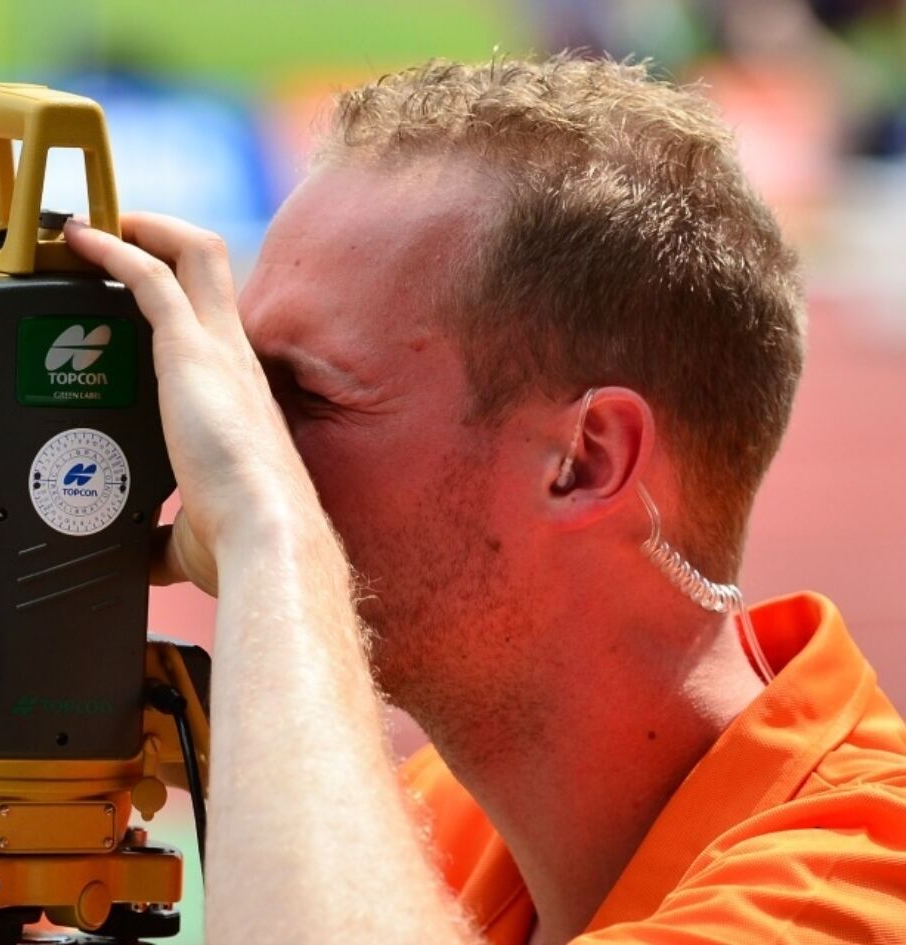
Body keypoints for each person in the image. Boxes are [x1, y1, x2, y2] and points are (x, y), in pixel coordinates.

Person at [64, 55, 906, 944]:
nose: (237, 437)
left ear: (583, 460)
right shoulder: (443, 823)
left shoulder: (844, 890)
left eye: (303, 395)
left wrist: (272, 530)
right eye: (240, 382)